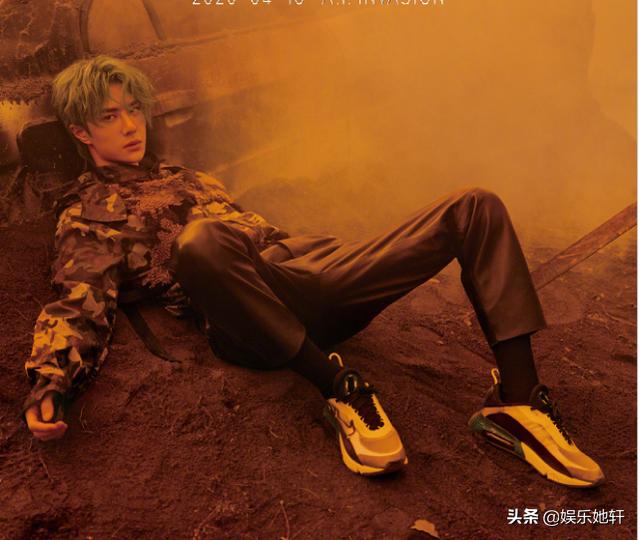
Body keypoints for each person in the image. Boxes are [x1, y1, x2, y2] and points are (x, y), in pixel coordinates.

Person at [22, 55, 604, 487]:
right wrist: (51, 384)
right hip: (247, 316)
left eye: (134, 110)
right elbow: (77, 300)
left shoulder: (190, 178)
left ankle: (518, 402)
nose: (131, 125)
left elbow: (268, 239)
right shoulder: (91, 213)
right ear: (81, 131)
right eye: (110, 116)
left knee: (475, 205)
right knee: (201, 242)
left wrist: (323, 254)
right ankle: (341, 390)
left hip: (311, 273)